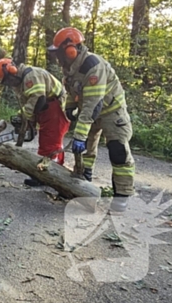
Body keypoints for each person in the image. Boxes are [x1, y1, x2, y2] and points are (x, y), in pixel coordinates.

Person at [48, 27, 135, 213]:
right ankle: (84, 184)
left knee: (118, 150)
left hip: (112, 111)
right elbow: (72, 92)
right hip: (90, 112)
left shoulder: (93, 66)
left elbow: (92, 105)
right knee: (86, 151)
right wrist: (70, 107)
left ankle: (122, 195)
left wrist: (79, 135)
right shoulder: (71, 68)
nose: (58, 58)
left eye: (59, 53)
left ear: (71, 50)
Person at [0, 58, 70, 187]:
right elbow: (30, 103)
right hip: (46, 107)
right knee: (53, 141)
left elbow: (38, 98)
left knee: (49, 141)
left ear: (12, 71)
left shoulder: (31, 76)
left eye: (8, 79)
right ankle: (55, 170)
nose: (9, 83)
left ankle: (44, 174)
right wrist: (29, 122)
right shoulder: (20, 83)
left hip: (55, 106)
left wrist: (25, 115)